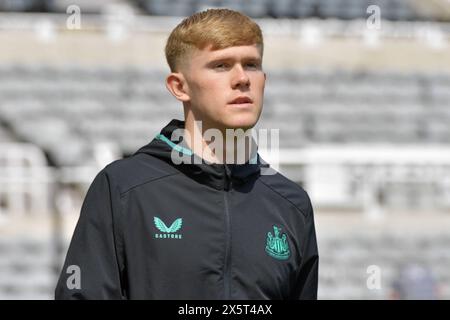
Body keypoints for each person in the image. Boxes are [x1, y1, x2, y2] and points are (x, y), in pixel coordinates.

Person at [55, 8, 319, 300]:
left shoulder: (292, 204)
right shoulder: (123, 189)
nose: (242, 78)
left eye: (251, 64)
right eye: (221, 65)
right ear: (179, 87)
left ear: (264, 79)